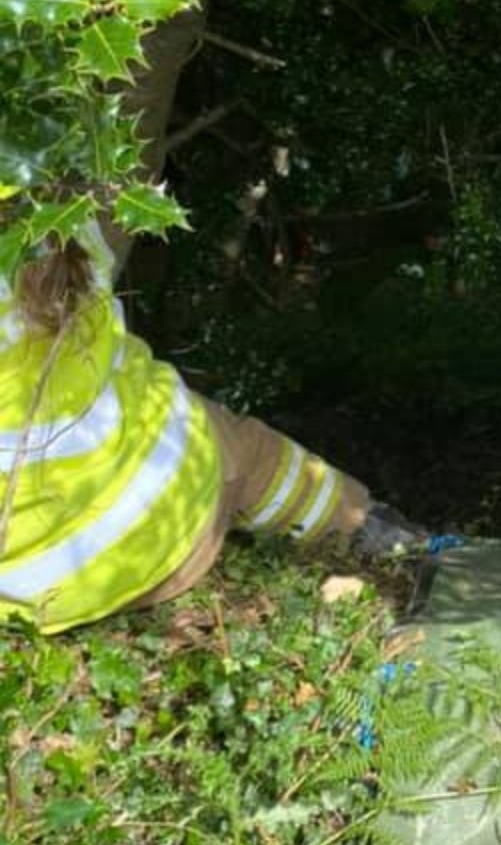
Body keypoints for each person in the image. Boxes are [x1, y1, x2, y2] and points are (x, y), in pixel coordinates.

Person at [0, 219, 426, 634]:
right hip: (175, 528)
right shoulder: (64, 227)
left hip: (37, 598)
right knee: (244, 446)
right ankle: (368, 529)